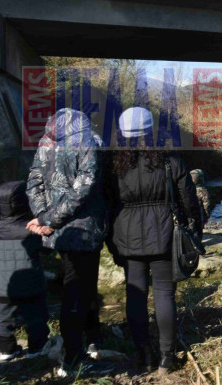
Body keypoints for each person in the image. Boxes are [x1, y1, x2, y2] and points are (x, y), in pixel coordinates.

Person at [105, 107, 203, 375]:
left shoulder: (112, 163)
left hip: (125, 235)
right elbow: (189, 201)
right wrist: (195, 231)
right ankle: (166, 358)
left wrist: (111, 241)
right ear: (151, 132)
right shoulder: (170, 160)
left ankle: (143, 354)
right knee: (164, 294)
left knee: (135, 296)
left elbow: (108, 203)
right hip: (163, 234)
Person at [26, 108, 106, 376]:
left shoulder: (45, 142)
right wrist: (50, 219)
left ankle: (91, 338)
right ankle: (73, 356)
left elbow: (33, 182)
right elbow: (85, 186)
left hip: (58, 232)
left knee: (77, 286)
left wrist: (42, 216)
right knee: (79, 290)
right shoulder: (89, 141)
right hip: (82, 229)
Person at [0, 181, 50, 361]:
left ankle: (7, 350)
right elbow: (46, 249)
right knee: (36, 317)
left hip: (3, 287)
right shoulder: (29, 230)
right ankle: (36, 349)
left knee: (3, 319)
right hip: (31, 285)